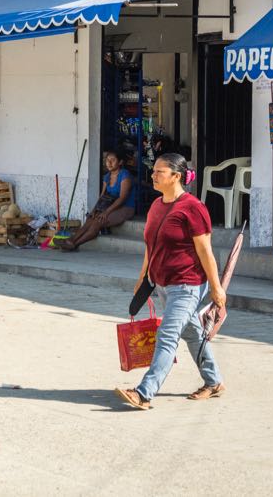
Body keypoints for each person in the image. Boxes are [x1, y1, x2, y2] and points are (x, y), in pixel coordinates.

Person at [115, 153, 227, 410]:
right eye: (153, 171)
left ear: (176, 176)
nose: (153, 176)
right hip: (163, 284)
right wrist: (143, 277)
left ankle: (144, 392)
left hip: (188, 284)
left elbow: (205, 251)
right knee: (192, 333)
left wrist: (217, 288)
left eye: (159, 172)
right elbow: (150, 245)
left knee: (167, 334)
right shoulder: (156, 206)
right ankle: (214, 381)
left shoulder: (193, 208)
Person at [60, 150, 135, 251]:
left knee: (97, 222)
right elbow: (102, 196)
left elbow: (122, 198)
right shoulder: (107, 177)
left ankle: (75, 244)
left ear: (120, 162)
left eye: (113, 160)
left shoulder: (125, 176)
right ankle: (71, 241)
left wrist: (106, 212)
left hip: (125, 208)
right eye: (107, 160)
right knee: (90, 219)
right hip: (110, 207)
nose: (109, 163)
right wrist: (94, 210)